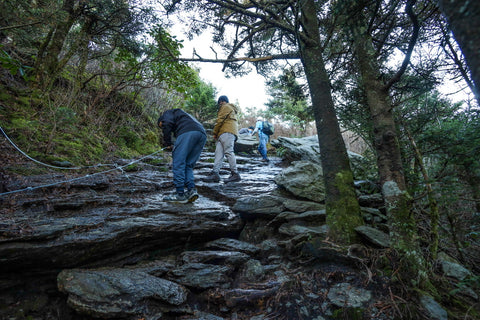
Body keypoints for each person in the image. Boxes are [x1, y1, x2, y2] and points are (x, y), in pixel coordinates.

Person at [157, 108, 207, 203]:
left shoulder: (167, 113)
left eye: (161, 126)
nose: (162, 127)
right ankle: (191, 190)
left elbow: (166, 123)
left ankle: (179, 193)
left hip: (188, 132)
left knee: (178, 162)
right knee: (188, 165)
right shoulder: (183, 116)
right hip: (202, 134)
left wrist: (167, 143)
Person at [204, 95, 241, 183]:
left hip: (226, 132)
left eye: (219, 103)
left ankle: (235, 174)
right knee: (218, 154)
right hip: (224, 133)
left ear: (221, 101)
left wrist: (214, 133)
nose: (219, 105)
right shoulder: (230, 108)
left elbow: (219, 120)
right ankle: (215, 173)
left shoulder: (225, 106)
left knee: (228, 152)